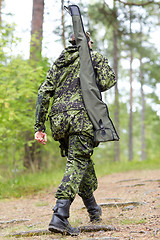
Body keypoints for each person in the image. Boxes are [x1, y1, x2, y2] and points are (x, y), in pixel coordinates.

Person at [34, 32, 116, 235]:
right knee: (77, 163)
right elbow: (107, 82)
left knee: (81, 162)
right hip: (81, 117)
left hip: (60, 121)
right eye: (91, 43)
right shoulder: (92, 57)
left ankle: (93, 209)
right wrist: (94, 65)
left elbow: (44, 92)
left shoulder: (58, 62)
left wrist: (39, 126)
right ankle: (60, 217)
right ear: (87, 42)